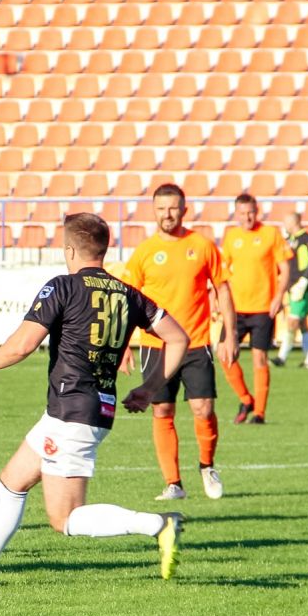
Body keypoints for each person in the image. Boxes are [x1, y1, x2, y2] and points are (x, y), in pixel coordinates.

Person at [0, 213, 191, 586]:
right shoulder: (128, 293)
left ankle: (158, 525)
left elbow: (23, 344)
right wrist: (149, 389)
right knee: (13, 480)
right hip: (87, 409)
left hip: (72, 413)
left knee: (65, 518)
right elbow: (178, 338)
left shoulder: (64, 287)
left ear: (69, 250)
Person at [121, 183, 238, 502]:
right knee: (162, 410)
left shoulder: (202, 246)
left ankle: (207, 466)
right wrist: (124, 345)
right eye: (161, 208)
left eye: (173, 208)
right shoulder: (144, 252)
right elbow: (129, 301)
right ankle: (173, 483)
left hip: (196, 342)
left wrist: (229, 334)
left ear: (184, 210)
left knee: (203, 407)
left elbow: (223, 289)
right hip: (155, 345)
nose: (167, 214)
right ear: (153, 211)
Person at [219, 193, 291, 425]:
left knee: (259, 358)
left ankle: (259, 412)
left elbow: (285, 268)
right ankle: (245, 399)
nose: (247, 217)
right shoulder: (231, 236)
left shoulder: (270, 234)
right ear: (236, 214)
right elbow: (222, 272)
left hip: (263, 307)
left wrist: (279, 296)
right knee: (224, 354)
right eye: (242, 213)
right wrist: (217, 300)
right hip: (236, 309)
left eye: (250, 212)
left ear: (257, 212)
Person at [273, 211, 308, 370]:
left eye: (286, 222)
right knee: (302, 323)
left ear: (294, 222)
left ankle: (282, 356)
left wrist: (303, 281)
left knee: (292, 321)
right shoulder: (288, 241)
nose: (285, 225)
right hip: (292, 287)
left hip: (302, 288)